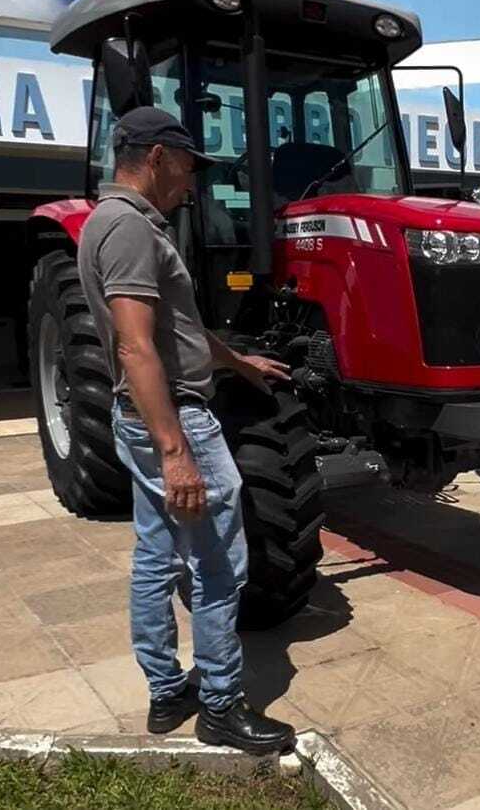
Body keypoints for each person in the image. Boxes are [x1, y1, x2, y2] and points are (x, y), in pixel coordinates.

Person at [77, 106, 295, 754]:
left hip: (157, 412)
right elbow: (137, 349)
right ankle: (222, 706)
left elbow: (175, 328)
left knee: (155, 556)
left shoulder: (121, 224)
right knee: (220, 562)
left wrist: (236, 360)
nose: (192, 182)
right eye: (187, 166)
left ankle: (168, 694)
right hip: (173, 417)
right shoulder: (128, 229)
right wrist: (176, 453)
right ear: (155, 157)